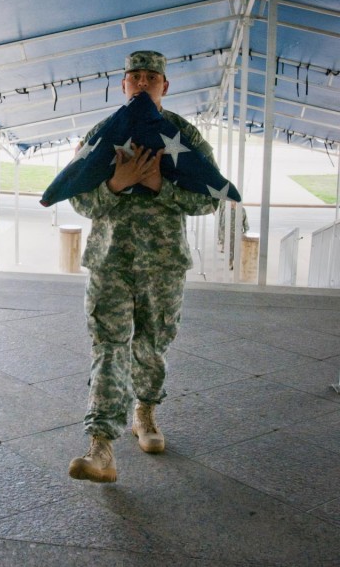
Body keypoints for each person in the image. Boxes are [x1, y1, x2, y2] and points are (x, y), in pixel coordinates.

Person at [67, 51, 219, 483]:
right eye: (135, 76)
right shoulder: (104, 133)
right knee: (108, 348)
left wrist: (159, 186)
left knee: (152, 345)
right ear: (123, 84)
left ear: (164, 87)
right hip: (110, 261)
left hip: (162, 263)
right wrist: (116, 184)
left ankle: (145, 414)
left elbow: (210, 196)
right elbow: (77, 196)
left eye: (152, 77)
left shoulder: (183, 136)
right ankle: (100, 447)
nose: (142, 83)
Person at [218, 201, 249, 269]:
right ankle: (230, 263)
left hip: (238, 233)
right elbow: (221, 221)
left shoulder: (241, 210)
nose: (232, 203)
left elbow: (245, 220)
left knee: (237, 249)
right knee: (229, 249)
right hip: (227, 233)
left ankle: (235, 263)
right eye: (231, 201)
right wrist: (220, 234)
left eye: (234, 201)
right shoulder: (225, 209)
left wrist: (245, 231)